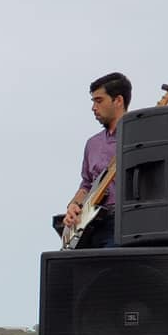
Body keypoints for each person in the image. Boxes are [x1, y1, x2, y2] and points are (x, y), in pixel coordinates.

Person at [63, 72, 132, 248]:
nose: (93, 107)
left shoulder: (138, 136)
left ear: (118, 100)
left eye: (99, 101)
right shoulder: (92, 143)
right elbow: (86, 184)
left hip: (124, 223)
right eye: (93, 101)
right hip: (91, 227)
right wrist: (73, 206)